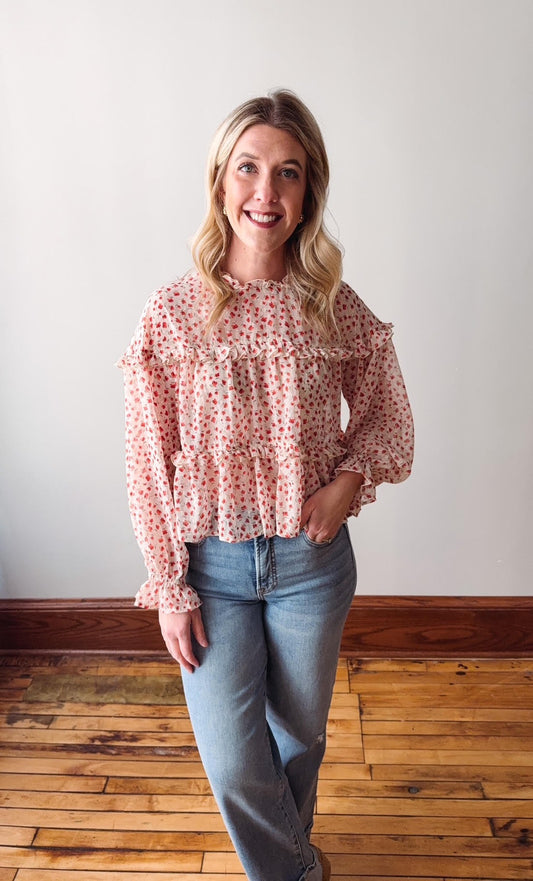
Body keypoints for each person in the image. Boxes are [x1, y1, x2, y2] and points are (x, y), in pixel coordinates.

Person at [118, 89, 414, 881]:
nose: (266, 191)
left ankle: (280, 865)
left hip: (310, 564)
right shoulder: (173, 313)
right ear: (219, 181)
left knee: (300, 738)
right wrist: (169, 584)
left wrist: (349, 478)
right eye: (248, 167)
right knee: (233, 758)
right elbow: (149, 460)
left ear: (308, 190)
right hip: (210, 568)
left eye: (288, 172)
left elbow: (387, 413)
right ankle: (294, 870)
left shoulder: (330, 306)